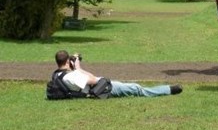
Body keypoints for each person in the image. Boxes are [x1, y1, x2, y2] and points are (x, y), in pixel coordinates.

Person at [50, 50, 183, 98]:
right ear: (68, 61)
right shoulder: (71, 76)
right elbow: (92, 80)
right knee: (137, 89)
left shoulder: (57, 76)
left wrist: (76, 68)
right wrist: (78, 67)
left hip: (100, 86)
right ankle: (168, 90)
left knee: (130, 86)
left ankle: (166, 89)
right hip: (103, 88)